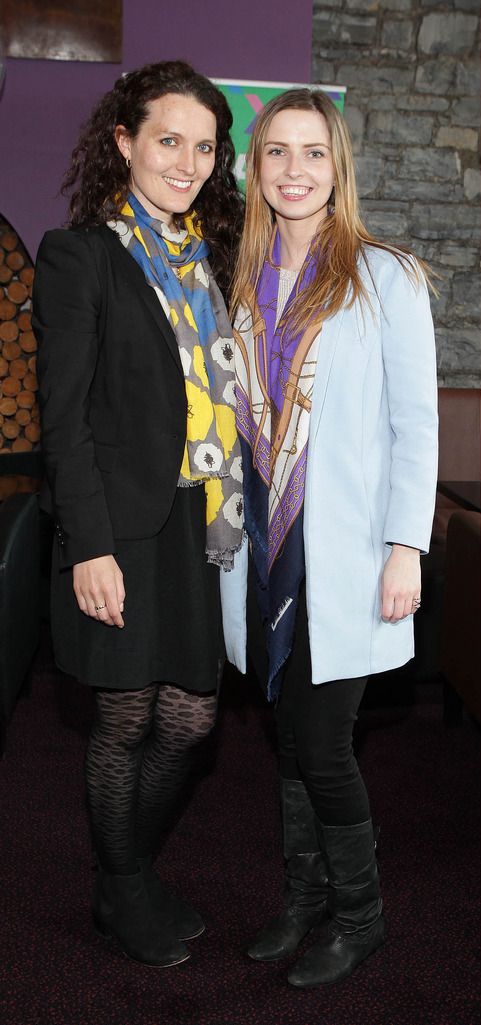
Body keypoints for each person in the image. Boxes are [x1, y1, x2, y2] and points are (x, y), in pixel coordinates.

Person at [222, 88, 438, 988]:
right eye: (276, 152)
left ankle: (361, 918)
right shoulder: (240, 278)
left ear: (336, 167)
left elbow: (415, 425)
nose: (294, 171)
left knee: (321, 743)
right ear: (255, 167)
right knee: (287, 735)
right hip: (268, 550)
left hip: (346, 551)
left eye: (313, 153)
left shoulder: (383, 274)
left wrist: (405, 547)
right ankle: (303, 902)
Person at [32, 60, 244, 969]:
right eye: (168, 139)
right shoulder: (79, 255)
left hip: (202, 524)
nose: (187, 161)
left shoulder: (214, 260)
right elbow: (65, 417)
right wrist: (89, 545)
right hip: (119, 529)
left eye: (204, 146)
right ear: (123, 142)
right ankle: (124, 887)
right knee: (124, 718)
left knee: (193, 718)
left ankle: (123, 870)